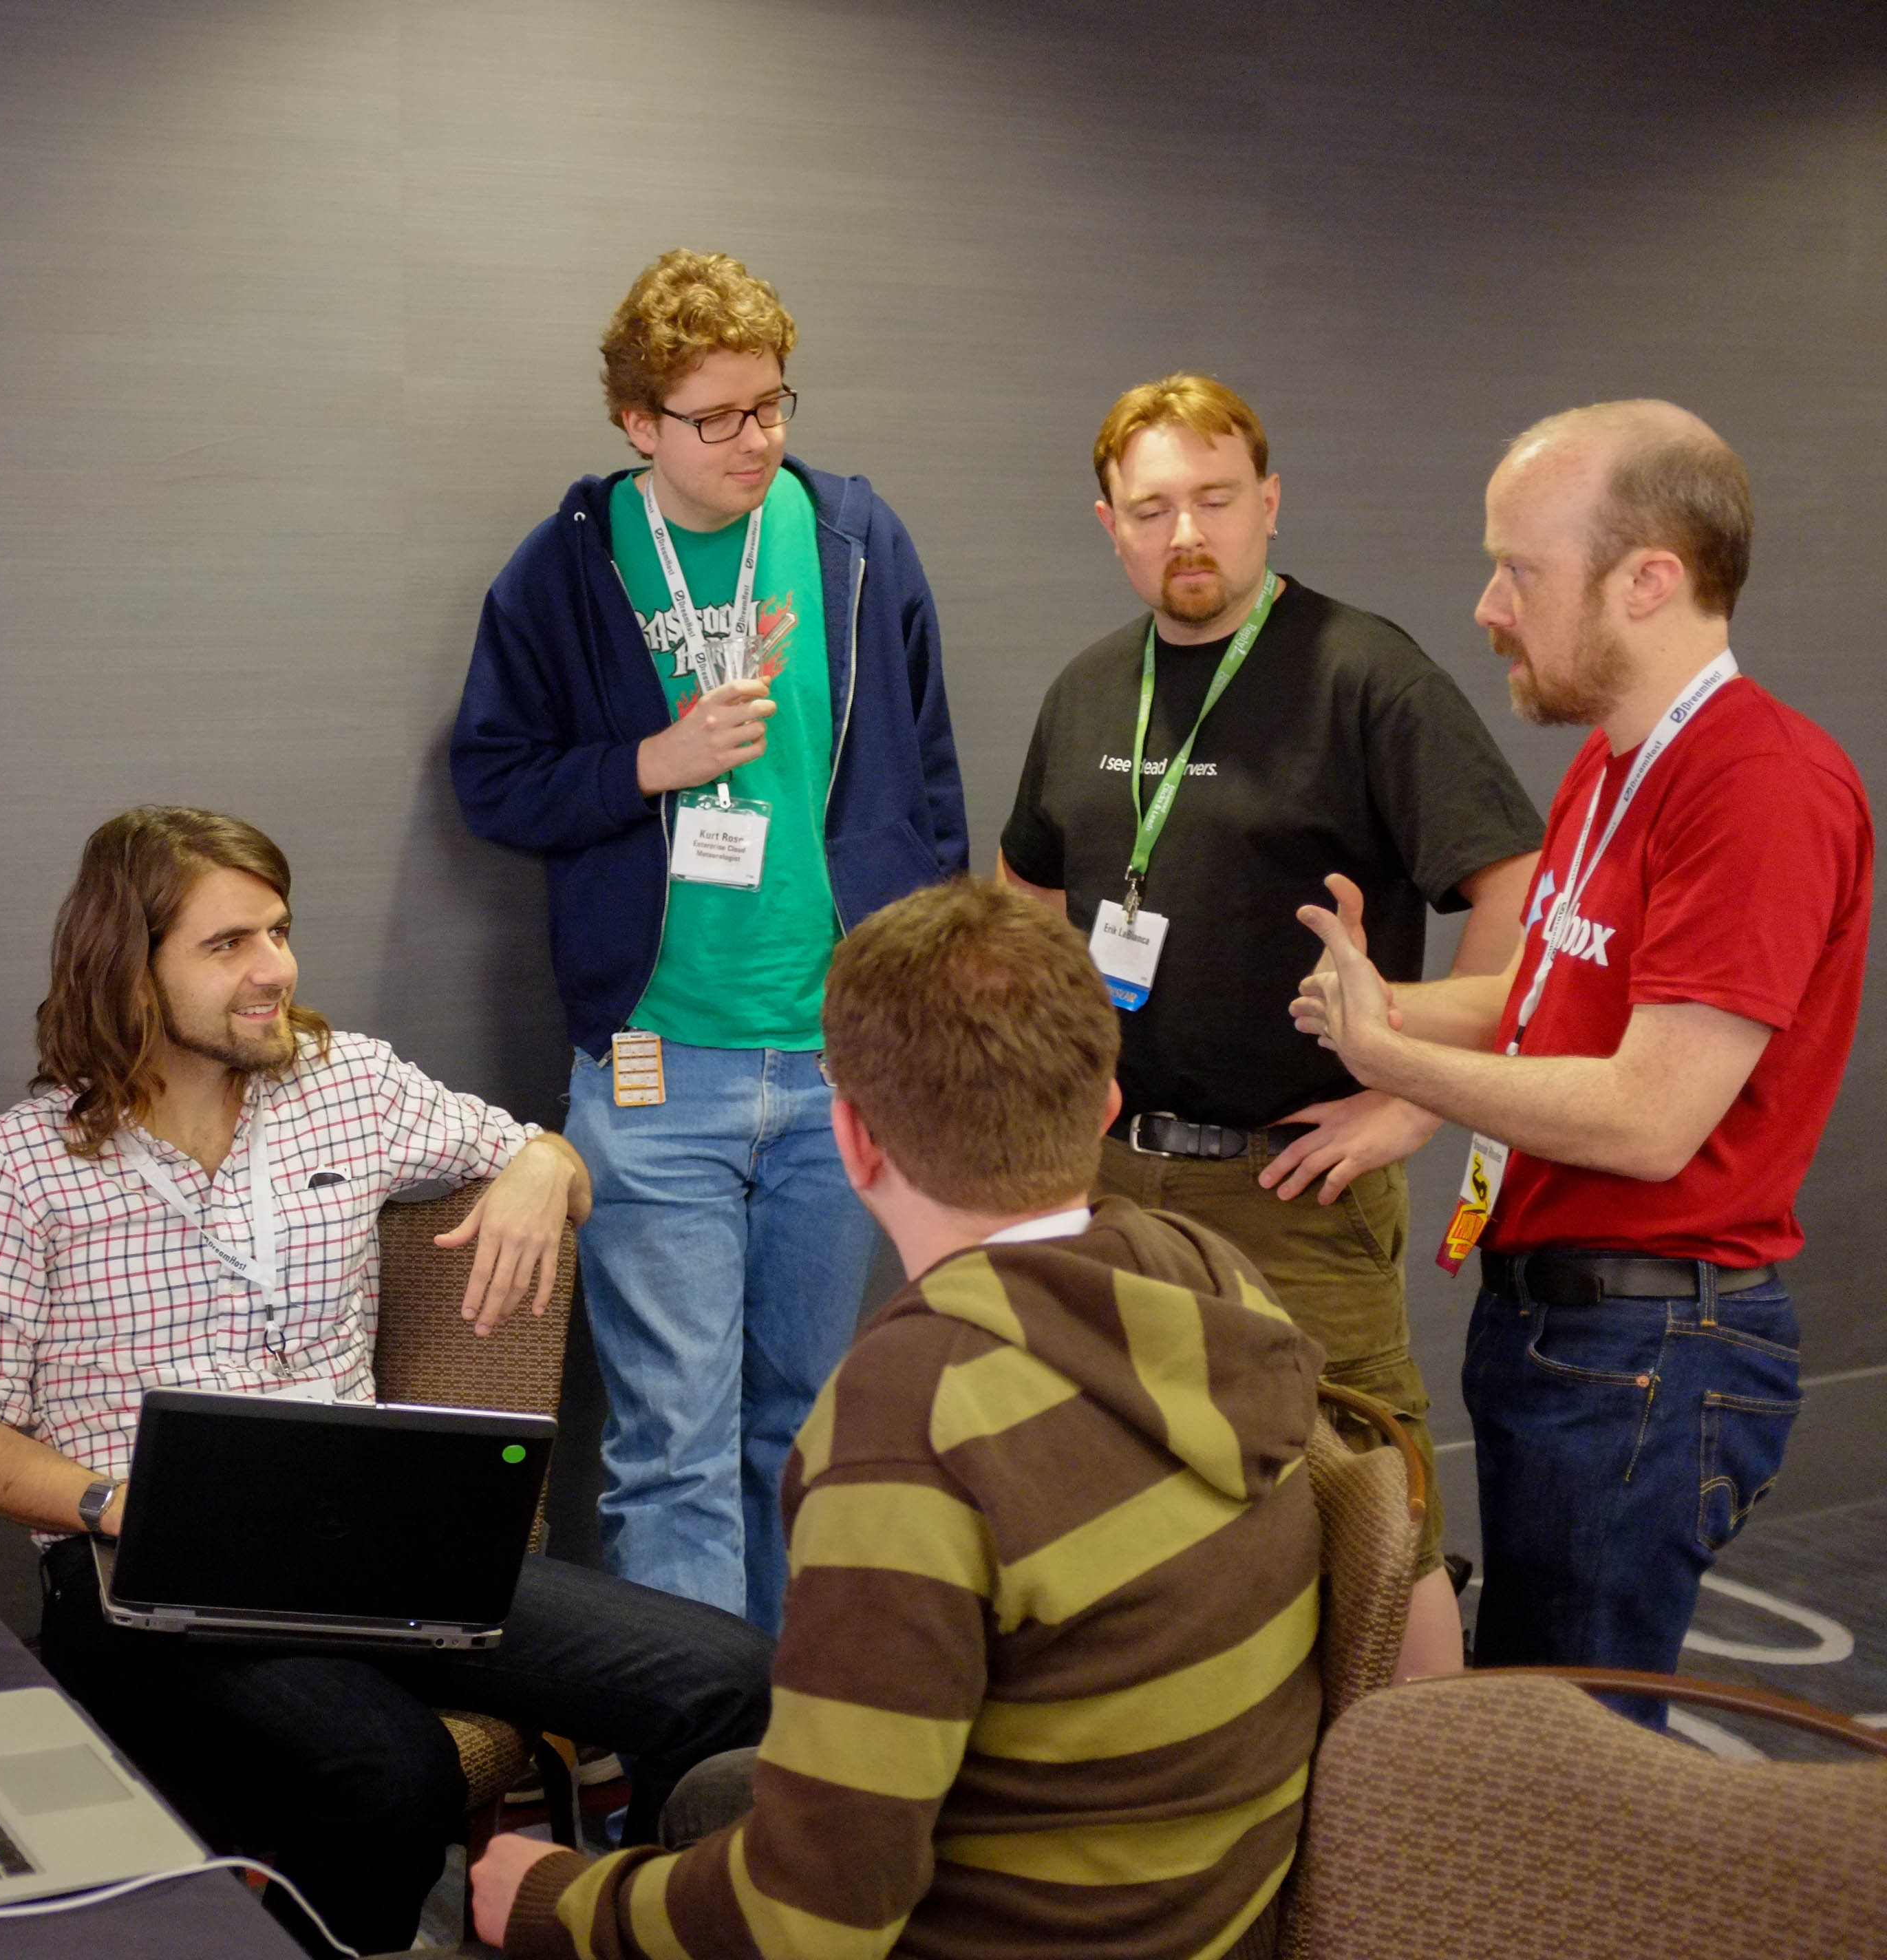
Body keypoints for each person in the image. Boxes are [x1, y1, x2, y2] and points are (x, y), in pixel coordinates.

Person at [0, 807, 774, 1959]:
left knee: (726, 1677)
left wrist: (542, 1160)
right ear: (130, 966)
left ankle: (634, 1932)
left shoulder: (348, 1082)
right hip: (141, 1570)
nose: (274, 969)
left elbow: (548, 1160)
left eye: (278, 930)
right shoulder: (19, 1165)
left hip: (368, 1542)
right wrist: (123, 1504)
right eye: (228, 945)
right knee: (389, 1770)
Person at [471, 877, 1327, 1959]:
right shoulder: (1210, 1281)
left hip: (1016, 1937)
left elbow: (809, 1923)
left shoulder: (913, 1416)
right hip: (1215, 1911)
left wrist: (556, 1901)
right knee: (717, 1799)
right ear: (1106, 1104)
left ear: (854, 1141)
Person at [1294, 401, 1870, 1698]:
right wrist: (1377, 1001)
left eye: (1519, 570)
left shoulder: (1758, 783)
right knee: (1536, 1710)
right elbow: (1542, 994)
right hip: (1570, 1332)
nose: (1488, 607)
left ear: (1647, 580)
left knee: (1574, 1745)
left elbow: (1649, 1116)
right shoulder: (1612, 767)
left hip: (1651, 1347)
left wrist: (1391, 1062)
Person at [452, 248, 966, 1632]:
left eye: (772, 403)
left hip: (838, 1064)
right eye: (718, 417)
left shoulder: (853, 539)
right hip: (654, 1070)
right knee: (670, 1447)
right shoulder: (566, 568)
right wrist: (650, 763)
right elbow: (491, 780)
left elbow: (925, 785)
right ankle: (695, 1744)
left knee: (803, 1430)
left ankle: (796, 1731)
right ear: (638, 422)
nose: (757, 439)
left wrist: (920, 1003)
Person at [999, 373, 1542, 1674]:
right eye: (1151, 509)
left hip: (1292, 1184)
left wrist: (1414, 1095)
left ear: (1270, 503)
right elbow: (1024, 894)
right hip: (1108, 1185)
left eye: (1216, 499)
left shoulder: (1365, 675)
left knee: (1375, 1512)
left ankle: (1416, 1778)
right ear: (1109, 526)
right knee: (1132, 1505)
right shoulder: (1090, 688)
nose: (1186, 533)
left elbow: (1519, 886)